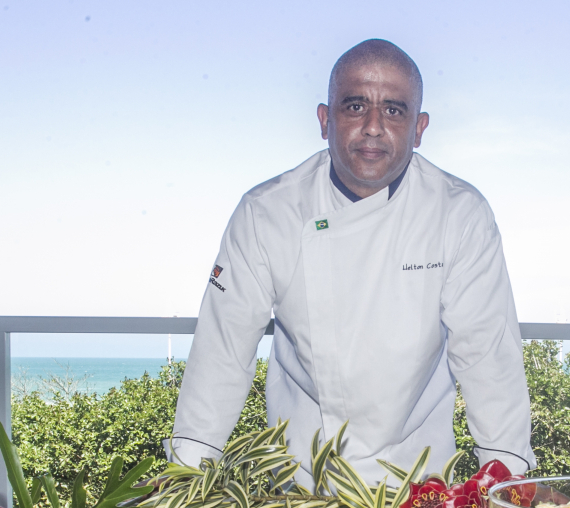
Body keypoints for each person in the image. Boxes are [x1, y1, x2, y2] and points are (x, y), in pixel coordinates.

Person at [168, 39, 533, 484]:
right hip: (302, 485)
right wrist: (186, 474)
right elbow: (223, 350)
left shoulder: (460, 214)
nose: (374, 127)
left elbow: (488, 358)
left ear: (419, 129)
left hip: (419, 485)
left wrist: (510, 482)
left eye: (394, 110)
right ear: (326, 120)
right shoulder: (266, 212)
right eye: (356, 106)